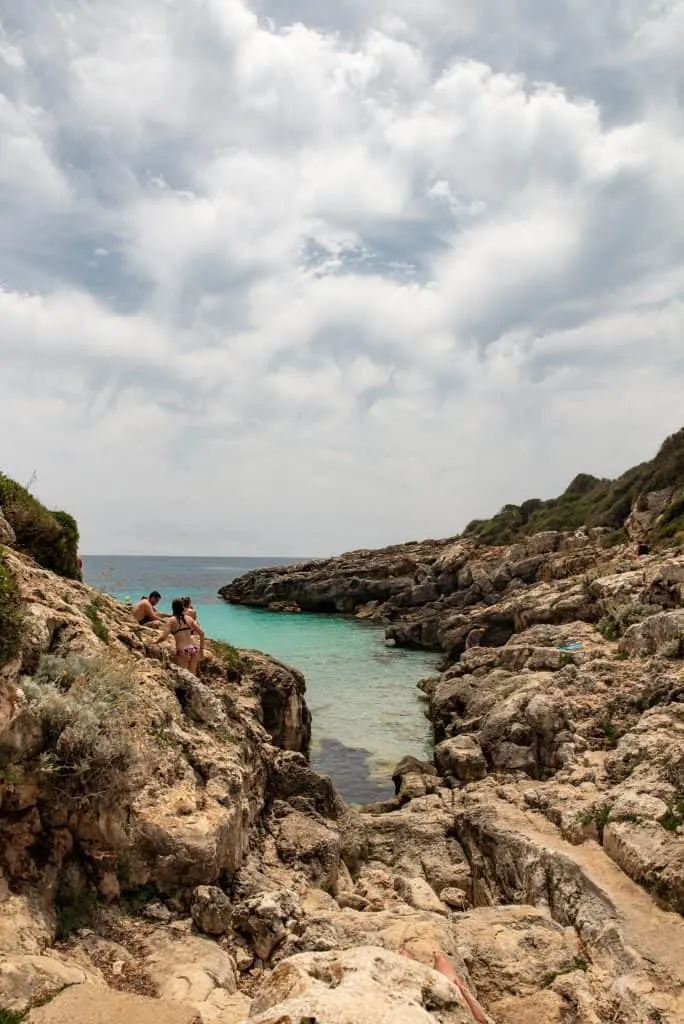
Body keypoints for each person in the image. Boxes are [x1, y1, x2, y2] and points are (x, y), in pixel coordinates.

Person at [156, 598, 205, 675]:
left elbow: (163, 637)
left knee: (184, 675)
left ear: (173, 608)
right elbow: (202, 633)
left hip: (183, 650)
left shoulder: (171, 620)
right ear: (182, 607)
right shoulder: (189, 618)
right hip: (193, 649)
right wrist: (201, 650)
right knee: (192, 674)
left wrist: (154, 642)